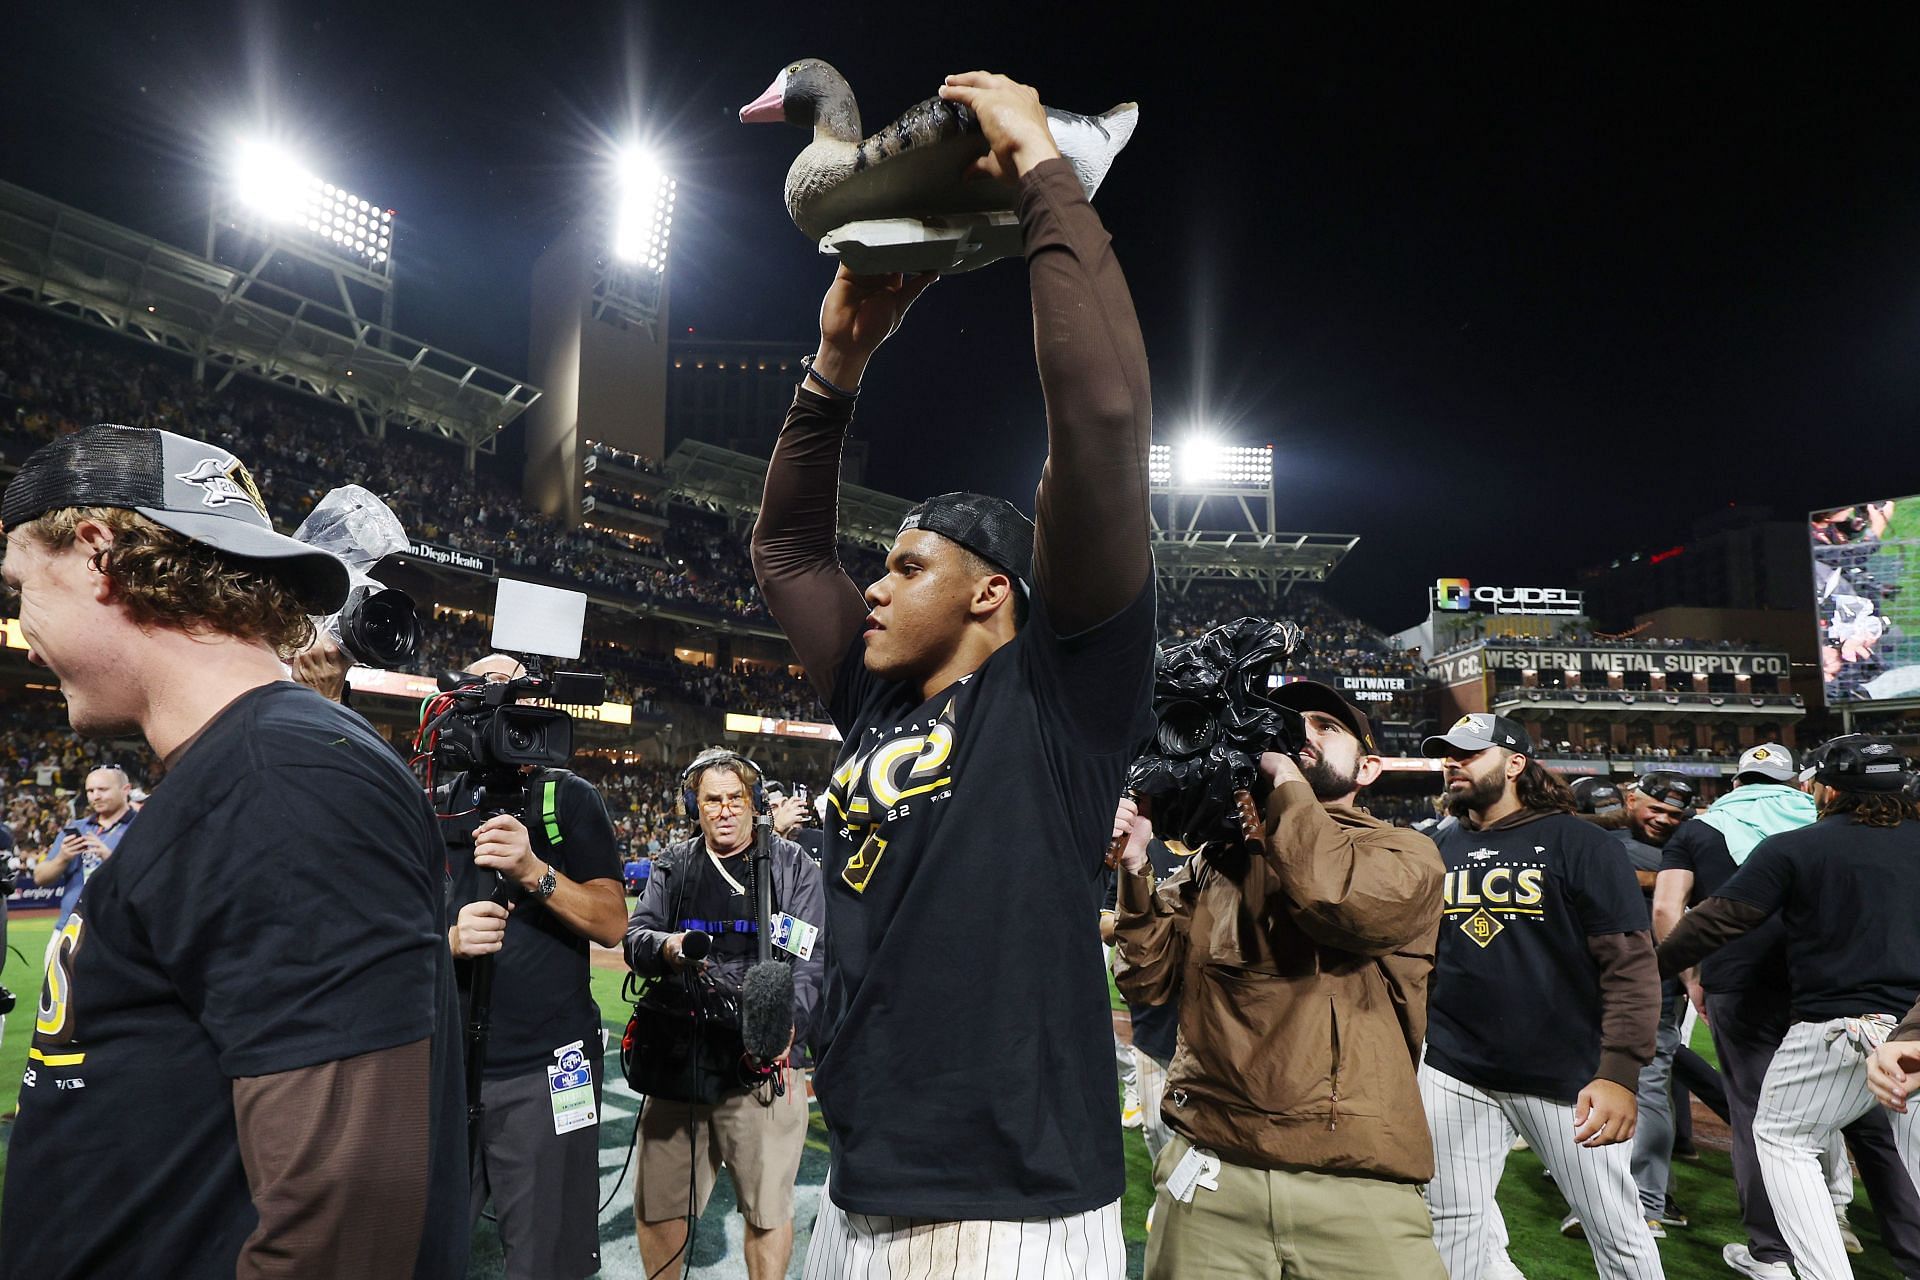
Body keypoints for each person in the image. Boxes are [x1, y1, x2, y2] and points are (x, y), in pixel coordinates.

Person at [750, 69, 1154, 1278]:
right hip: (861, 1178)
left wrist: (1040, 170)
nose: (874, 585)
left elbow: (1100, 421)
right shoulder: (877, 699)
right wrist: (836, 365)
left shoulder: (1060, 696)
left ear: (992, 592)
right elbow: (785, 550)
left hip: (1008, 1208)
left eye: (908, 564)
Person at [0, 424, 465, 1279]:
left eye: (20, 585)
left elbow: (341, 1228)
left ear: (99, 554)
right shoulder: (254, 765)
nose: (20, 624)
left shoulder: (279, 777)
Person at [1113, 682, 1448, 1279]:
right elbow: (1147, 983)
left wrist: (1283, 776)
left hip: (1356, 1184)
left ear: (1368, 767)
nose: (1301, 732)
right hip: (1214, 1174)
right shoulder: (1214, 862)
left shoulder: (1406, 852)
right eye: (1289, 723)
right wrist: (1136, 868)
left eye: (1325, 725)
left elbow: (1338, 900)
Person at [1658, 734, 1920, 1280]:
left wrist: (1648, 970)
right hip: (1912, 1025)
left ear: (1826, 788)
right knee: (1891, 1143)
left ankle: (1795, 1263)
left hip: (1837, 1025)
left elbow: (1716, 921)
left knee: (1779, 1135)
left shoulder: (1799, 845)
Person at [1418, 713, 1664, 1280]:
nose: (1453, 762)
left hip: (1564, 1072)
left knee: (1614, 1228)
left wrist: (1620, 1071)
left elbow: (1629, 963)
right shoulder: (1437, 844)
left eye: (1469, 753)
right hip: (1457, 1066)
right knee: (1451, 1220)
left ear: (1515, 764)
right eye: (1448, 753)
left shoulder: (1577, 841)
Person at [440, 653, 627, 1280]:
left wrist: (533, 871)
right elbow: (379, 925)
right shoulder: (432, 799)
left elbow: (611, 921)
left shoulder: (565, 797)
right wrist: (449, 941)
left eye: (516, 690)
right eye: (488, 688)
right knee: (417, 1251)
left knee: (550, 1259)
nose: (504, 703)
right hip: (446, 1067)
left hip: (552, 1068)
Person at [625, 749, 823, 1280]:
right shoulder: (675, 862)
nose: (725, 810)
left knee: (767, 1209)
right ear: (696, 806)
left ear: (754, 803)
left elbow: (810, 963)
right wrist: (670, 947)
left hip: (761, 1061)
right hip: (682, 1059)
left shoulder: (791, 864)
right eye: (712, 800)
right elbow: (635, 936)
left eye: (736, 798)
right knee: (660, 1201)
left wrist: (786, 1025)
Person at [1563, 772, 1697, 1240]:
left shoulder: (1692, 841)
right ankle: (1620, 1196)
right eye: (1655, 808)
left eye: (1674, 814)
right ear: (1632, 798)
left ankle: (1643, 1202)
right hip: (1597, 977)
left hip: (1657, 982)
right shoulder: (1606, 837)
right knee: (1602, 1081)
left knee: (1649, 1084)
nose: (1664, 820)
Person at [33, 765, 137, 927]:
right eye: (90, 791)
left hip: (120, 929)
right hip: (70, 928)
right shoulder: (77, 828)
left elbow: (155, 880)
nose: (96, 796)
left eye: (103, 789)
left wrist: (110, 859)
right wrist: (62, 858)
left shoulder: (142, 826)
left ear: (125, 790)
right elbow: (40, 877)